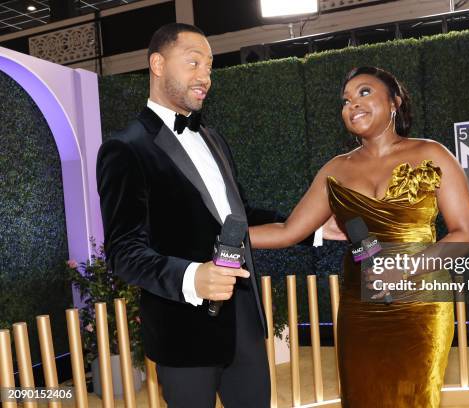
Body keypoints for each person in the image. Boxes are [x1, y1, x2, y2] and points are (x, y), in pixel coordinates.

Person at [96, 23, 329, 408]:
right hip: (183, 333)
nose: (205, 77)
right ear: (157, 64)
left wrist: (314, 229)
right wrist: (192, 276)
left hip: (244, 324)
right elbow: (124, 252)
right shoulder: (124, 149)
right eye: (193, 63)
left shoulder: (213, 138)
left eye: (209, 66)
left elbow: (238, 216)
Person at [249, 66, 469, 407]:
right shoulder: (335, 170)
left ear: (395, 103)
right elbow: (288, 231)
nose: (352, 104)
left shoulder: (432, 154)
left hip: (420, 308)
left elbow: (466, 235)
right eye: (345, 100)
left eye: (365, 92)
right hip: (360, 311)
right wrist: (219, 236)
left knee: (413, 398)